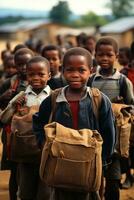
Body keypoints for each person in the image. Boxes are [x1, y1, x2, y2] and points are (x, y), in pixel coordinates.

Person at [33, 47, 116, 200]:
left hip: (89, 163)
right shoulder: (53, 99)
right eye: (70, 70)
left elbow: (109, 131)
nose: (75, 75)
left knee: (89, 194)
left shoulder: (99, 99)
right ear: (62, 70)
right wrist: (44, 143)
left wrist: (103, 160)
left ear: (90, 71)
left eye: (81, 70)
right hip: (60, 162)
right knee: (60, 194)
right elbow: (38, 123)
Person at [88, 36, 134, 200]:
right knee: (93, 180)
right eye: (101, 55)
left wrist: (119, 107)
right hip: (93, 137)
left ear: (116, 55)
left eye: (109, 55)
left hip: (114, 141)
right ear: (95, 55)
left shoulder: (123, 81)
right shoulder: (91, 79)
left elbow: (131, 107)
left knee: (113, 181)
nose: (105, 58)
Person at [7, 56, 52, 200]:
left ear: (49, 75)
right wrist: (14, 105)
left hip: (47, 151)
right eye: (31, 74)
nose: (36, 78)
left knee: (45, 191)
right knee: (25, 190)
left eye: (41, 74)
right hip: (25, 152)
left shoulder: (54, 96)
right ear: (27, 76)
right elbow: (3, 118)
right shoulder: (22, 96)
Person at [0, 47, 34, 200]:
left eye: (27, 64)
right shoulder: (10, 82)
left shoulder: (40, 81)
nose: (23, 68)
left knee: (31, 169)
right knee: (15, 170)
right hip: (12, 133)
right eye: (19, 64)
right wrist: (3, 97)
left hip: (32, 133)